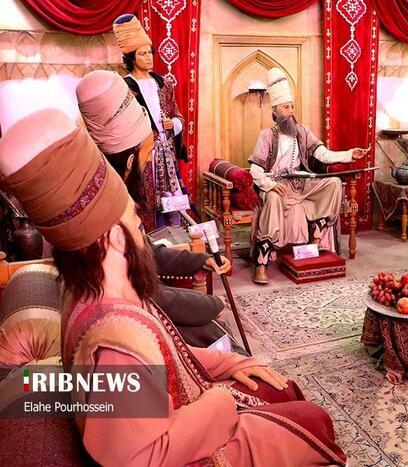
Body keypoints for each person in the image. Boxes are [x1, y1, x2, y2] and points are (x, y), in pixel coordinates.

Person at [0, 108, 346, 465]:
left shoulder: (91, 290)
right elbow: (143, 458)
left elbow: (165, 356)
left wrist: (227, 363)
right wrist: (220, 402)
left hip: (184, 412)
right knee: (314, 420)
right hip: (198, 450)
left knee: (282, 390)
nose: (141, 230)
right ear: (114, 239)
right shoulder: (115, 339)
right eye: (134, 219)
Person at [76, 69, 235, 349]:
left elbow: (146, 251)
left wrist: (200, 261)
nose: (151, 163)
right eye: (148, 154)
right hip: (127, 330)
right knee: (216, 336)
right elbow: (145, 294)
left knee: (216, 333)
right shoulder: (103, 222)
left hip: (139, 315)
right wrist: (211, 304)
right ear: (129, 163)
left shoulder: (112, 198)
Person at [248, 67, 367, 284]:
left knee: (333, 183)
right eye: (286, 107)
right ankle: (261, 263)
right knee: (272, 200)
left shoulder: (302, 132)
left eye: (292, 106)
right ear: (275, 111)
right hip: (276, 185)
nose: (291, 111)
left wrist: (350, 154)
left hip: (301, 184)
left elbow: (323, 154)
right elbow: (255, 170)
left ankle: (316, 237)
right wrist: (270, 185)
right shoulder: (266, 136)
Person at [113, 14, 190, 231]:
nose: (149, 57)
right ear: (131, 57)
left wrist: (174, 124)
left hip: (167, 152)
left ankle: (175, 239)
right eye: (142, 53)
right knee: (145, 197)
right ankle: (149, 239)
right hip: (144, 153)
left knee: (172, 200)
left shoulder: (163, 83)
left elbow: (178, 115)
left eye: (150, 52)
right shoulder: (124, 87)